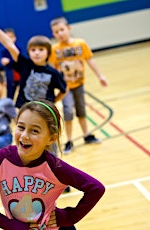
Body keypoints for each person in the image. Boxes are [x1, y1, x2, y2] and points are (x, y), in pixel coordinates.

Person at [0, 99, 105, 229]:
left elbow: (96, 188)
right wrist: (11, 225)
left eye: (34, 131)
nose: (24, 136)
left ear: (51, 138)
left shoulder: (54, 167)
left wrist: (69, 217)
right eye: (21, 127)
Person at [0, 12, 67, 110]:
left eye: (41, 50)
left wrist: (53, 102)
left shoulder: (53, 73)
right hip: (25, 110)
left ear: (48, 53)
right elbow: (9, 45)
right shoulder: (25, 65)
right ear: (28, 52)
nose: (37, 53)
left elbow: (64, 89)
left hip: (44, 111)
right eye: (33, 50)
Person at [49, 16, 108, 154]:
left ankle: (87, 135)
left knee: (81, 110)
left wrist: (100, 76)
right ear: (53, 34)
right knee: (68, 111)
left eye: (62, 30)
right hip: (66, 87)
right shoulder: (55, 49)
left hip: (79, 84)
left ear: (68, 28)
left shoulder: (80, 44)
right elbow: (55, 69)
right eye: (56, 32)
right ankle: (69, 141)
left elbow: (90, 60)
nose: (60, 33)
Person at [1, 28, 21, 100]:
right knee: (10, 94)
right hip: (10, 76)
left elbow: (18, 59)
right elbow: (5, 67)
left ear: (14, 38)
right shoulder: (4, 51)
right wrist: (5, 79)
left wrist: (9, 61)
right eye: (6, 38)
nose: (8, 39)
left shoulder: (17, 49)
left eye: (10, 37)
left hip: (19, 74)